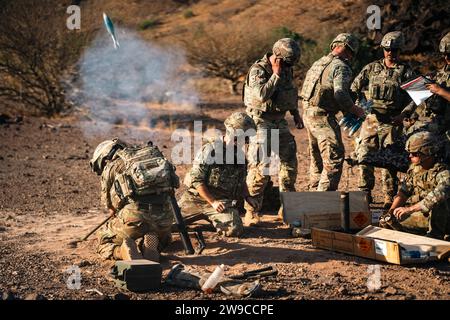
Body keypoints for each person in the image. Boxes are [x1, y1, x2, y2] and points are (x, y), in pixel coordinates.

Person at [351, 31, 416, 207]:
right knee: (365, 155)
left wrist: (403, 114)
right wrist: (361, 105)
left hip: (393, 121)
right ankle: (365, 192)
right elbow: (354, 86)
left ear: (399, 50)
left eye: (394, 50)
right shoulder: (371, 68)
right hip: (371, 120)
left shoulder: (406, 71)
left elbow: (419, 95)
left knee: (390, 160)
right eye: (387, 49)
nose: (390, 53)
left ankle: (389, 196)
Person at [243, 38, 303, 226]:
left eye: (289, 64)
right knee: (262, 168)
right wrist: (275, 75)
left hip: (279, 120)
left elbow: (289, 93)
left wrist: (295, 114)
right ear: (276, 57)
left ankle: (286, 209)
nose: (287, 67)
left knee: (289, 163)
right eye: (285, 63)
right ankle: (251, 211)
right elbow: (261, 95)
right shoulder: (258, 70)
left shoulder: (287, 68)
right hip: (260, 120)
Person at [90, 138, 178, 261]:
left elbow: (111, 208)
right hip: (165, 218)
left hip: (135, 218)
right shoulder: (154, 157)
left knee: (103, 239)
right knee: (165, 237)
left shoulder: (111, 166)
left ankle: (121, 252)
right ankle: (150, 244)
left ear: (104, 157)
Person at [300, 33, 365, 191]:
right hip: (322, 117)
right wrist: (355, 110)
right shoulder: (341, 67)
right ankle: (323, 201)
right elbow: (340, 93)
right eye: (350, 52)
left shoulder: (319, 62)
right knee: (333, 157)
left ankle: (314, 192)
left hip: (308, 113)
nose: (350, 56)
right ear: (343, 48)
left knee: (317, 159)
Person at [179, 112, 257, 236]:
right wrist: (213, 202)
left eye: (246, 138)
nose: (243, 141)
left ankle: (213, 220)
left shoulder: (240, 155)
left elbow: (241, 181)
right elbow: (197, 180)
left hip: (223, 203)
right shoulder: (211, 149)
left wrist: (248, 197)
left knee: (234, 230)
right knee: (167, 225)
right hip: (196, 199)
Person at [380, 131, 450, 240]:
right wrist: (391, 212)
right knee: (389, 222)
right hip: (424, 216)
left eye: (414, 153)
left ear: (427, 152)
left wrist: (410, 209)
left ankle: (435, 236)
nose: (410, 156)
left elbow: (438, 196)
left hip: (444, 219)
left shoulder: (444, 172)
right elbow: (404, 192)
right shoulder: (415, 169)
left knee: (439, 202)